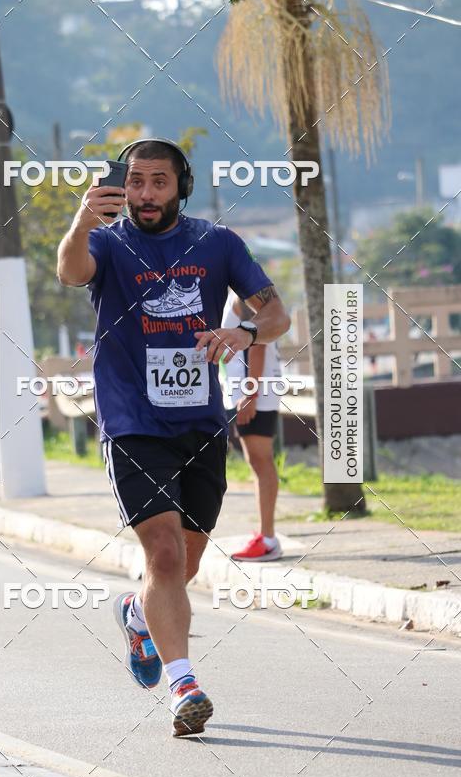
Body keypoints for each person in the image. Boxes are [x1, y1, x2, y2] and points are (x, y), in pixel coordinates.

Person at [57, 138, 290, 737]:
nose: (145, 194)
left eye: (159, 182)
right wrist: (84, 218)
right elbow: (69, 271)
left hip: (200, 424)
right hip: (133, 422)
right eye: (135, 182)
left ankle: (137, 613)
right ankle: (184, 684)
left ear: (180, 187)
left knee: (182, 564)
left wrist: (242, 333)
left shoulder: (217, 243)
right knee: (160, 553)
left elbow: (276, 314)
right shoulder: (107, 243)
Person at [221, 291, 283, 562]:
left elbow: (258, 343)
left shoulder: (243, 293)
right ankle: (266, 535)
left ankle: (268, 539)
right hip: (251, 389)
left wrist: (250, 394)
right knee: (257, 461)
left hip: (255, 390)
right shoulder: (242, 291)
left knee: (261, 461)